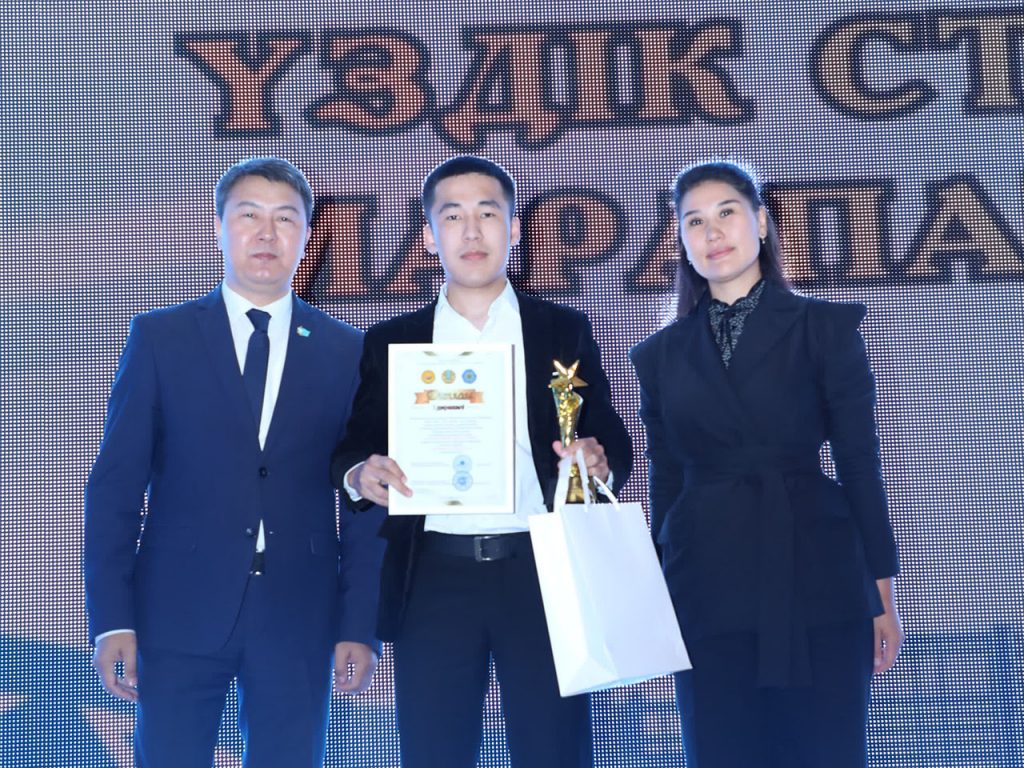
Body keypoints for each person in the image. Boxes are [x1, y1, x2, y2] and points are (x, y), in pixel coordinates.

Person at [330, 155, 632, 768]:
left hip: (541, 572)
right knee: (433, 751)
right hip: (433, 576)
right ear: (428, 236)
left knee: (555, 750)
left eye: (488, 214)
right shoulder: (392, 341)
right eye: (453, 216)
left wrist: (599, 462)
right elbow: (353, 444)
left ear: (514, 229)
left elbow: (609, 435)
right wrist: (360, 474)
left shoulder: (561, 330)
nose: (472, 231)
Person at [83, 157, 385, 767]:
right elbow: (115, 489)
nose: (267, 233)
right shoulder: (161, 338)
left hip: (299, 613)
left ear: (308, 235)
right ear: (218, 228)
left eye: (285, 219)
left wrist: (360, 625)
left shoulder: (347, 349)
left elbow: (364, 502)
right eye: (249, 216)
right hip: (176, 609)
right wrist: (111, 619)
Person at [629, 160, 904, 768]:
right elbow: (664, 481)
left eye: (726, 213)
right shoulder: (659, 355)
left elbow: (860, 464)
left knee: (827, 750)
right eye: (694, 221)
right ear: (681, 242)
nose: (712, 232)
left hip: (818, 573)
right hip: (706, 580)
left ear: (760, 222)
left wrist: (881, 594)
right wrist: (656, 609)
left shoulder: (824, 327)